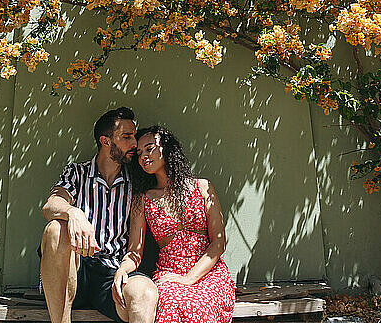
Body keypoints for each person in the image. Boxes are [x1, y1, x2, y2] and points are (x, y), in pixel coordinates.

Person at [40, 107, 158, 323]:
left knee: (145, 293)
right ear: (106, 142)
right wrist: (73, 212)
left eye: (134, 136)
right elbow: (50, 205)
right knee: (56, 229)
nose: (134, 144)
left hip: (113, 273)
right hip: (75, 272)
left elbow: (135, 247)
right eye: (126, 137)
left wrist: (123, 271)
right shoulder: (77, 173)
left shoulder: (137, 182)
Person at [112, 126, 236, 323]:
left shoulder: (203, 187)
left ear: (167, 149)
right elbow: (135, 251)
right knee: (170, 300)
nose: (143, 156)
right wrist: (122, 270)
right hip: (169, 274)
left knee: (199, 305)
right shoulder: (143, 200)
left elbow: (218, 244)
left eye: (149, 148)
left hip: (208, 273)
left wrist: (188, 278)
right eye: (139, 153)